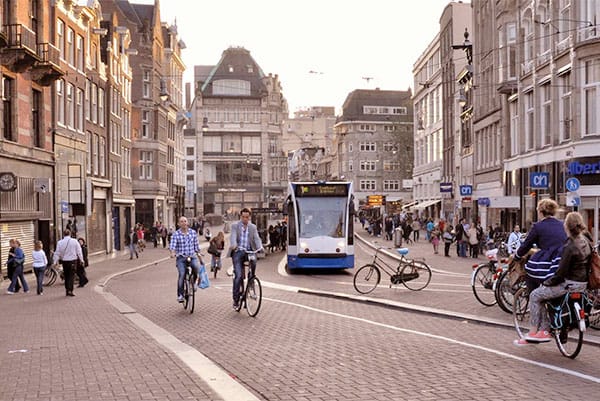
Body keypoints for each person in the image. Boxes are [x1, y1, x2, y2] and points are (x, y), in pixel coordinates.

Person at [514, 212, 591, 345]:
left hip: (567, 285)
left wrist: (547, 282)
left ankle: (539, 331)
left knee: (535, 295)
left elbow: (561, 273)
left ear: (566, 226)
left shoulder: (569, 246)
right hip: (582, 284)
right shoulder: (586, 241)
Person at [514, 199, 567, 293]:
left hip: (549, 260)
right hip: (563, 260)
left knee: (530, 274)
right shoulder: (562, 224)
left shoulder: (538, 226)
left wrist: (517, 256)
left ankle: (536, 299)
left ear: (540, 212)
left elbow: (527, 245)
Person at [229, 208, 263, 309]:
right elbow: (233, 236)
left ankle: (251, 283)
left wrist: (260, 247)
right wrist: (234, 245)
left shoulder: (253, 227)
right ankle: (235, 300)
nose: (245, 219)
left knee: (253, 261)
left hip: (249, 251)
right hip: (238, 251)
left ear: (249, 217)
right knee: (238, 275)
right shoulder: (235, 226)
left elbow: (257, 238)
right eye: (243, 217)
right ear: (240, 217)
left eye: (247, 217)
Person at [169, 216, 202, 303]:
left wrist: (198, 253)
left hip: (191, 256)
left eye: (185, 221)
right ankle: (180, 295)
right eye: (181, 221)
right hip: (181, 257)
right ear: (179, 224)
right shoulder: (176, 234)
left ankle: (194, 283)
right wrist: (172, 253)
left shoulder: (193, 233)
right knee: (182, 274)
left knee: (196, 268)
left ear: (187, 223)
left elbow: (196, 245)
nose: (183, 223)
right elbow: (172, 245)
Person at [53, 229, 83, 296]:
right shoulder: (74, 241)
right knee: (71, 276)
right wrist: (82, 260)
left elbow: (57, 253)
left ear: (63, 234)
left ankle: (67, 290)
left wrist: (55, 261)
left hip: (65, 261)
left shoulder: (60, 242)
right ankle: (70, 290)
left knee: (66, 276)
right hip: (73, 261)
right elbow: (79, 251)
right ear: (70, 234)